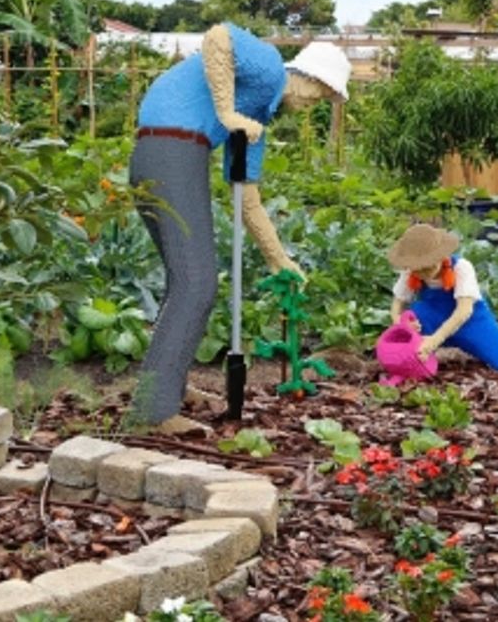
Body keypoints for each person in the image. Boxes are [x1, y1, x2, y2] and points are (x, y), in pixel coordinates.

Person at [129, 24, 351, 429]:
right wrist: (226, 112)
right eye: (321, 95)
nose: (315, 104)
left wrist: (279, 259)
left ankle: (166, 390)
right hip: (173, 151)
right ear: (309, 79)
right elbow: (218, 37)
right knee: (197, 285)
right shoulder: (267, 68)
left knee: (184, 282)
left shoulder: (256, 115)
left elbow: (247, 198)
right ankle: (153, 413)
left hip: (158, 153)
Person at [387, 223, 498, 372]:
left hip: (471, 322)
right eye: (417, 268)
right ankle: (416, 365)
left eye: (427, 266)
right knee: (414, 317)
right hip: (433, 317)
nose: (422, 272)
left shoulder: (461, 268)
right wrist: (400, 323)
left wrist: (434, 340)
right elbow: (398, 302)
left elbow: (464, 310)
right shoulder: (411, 271)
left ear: (440, 255)